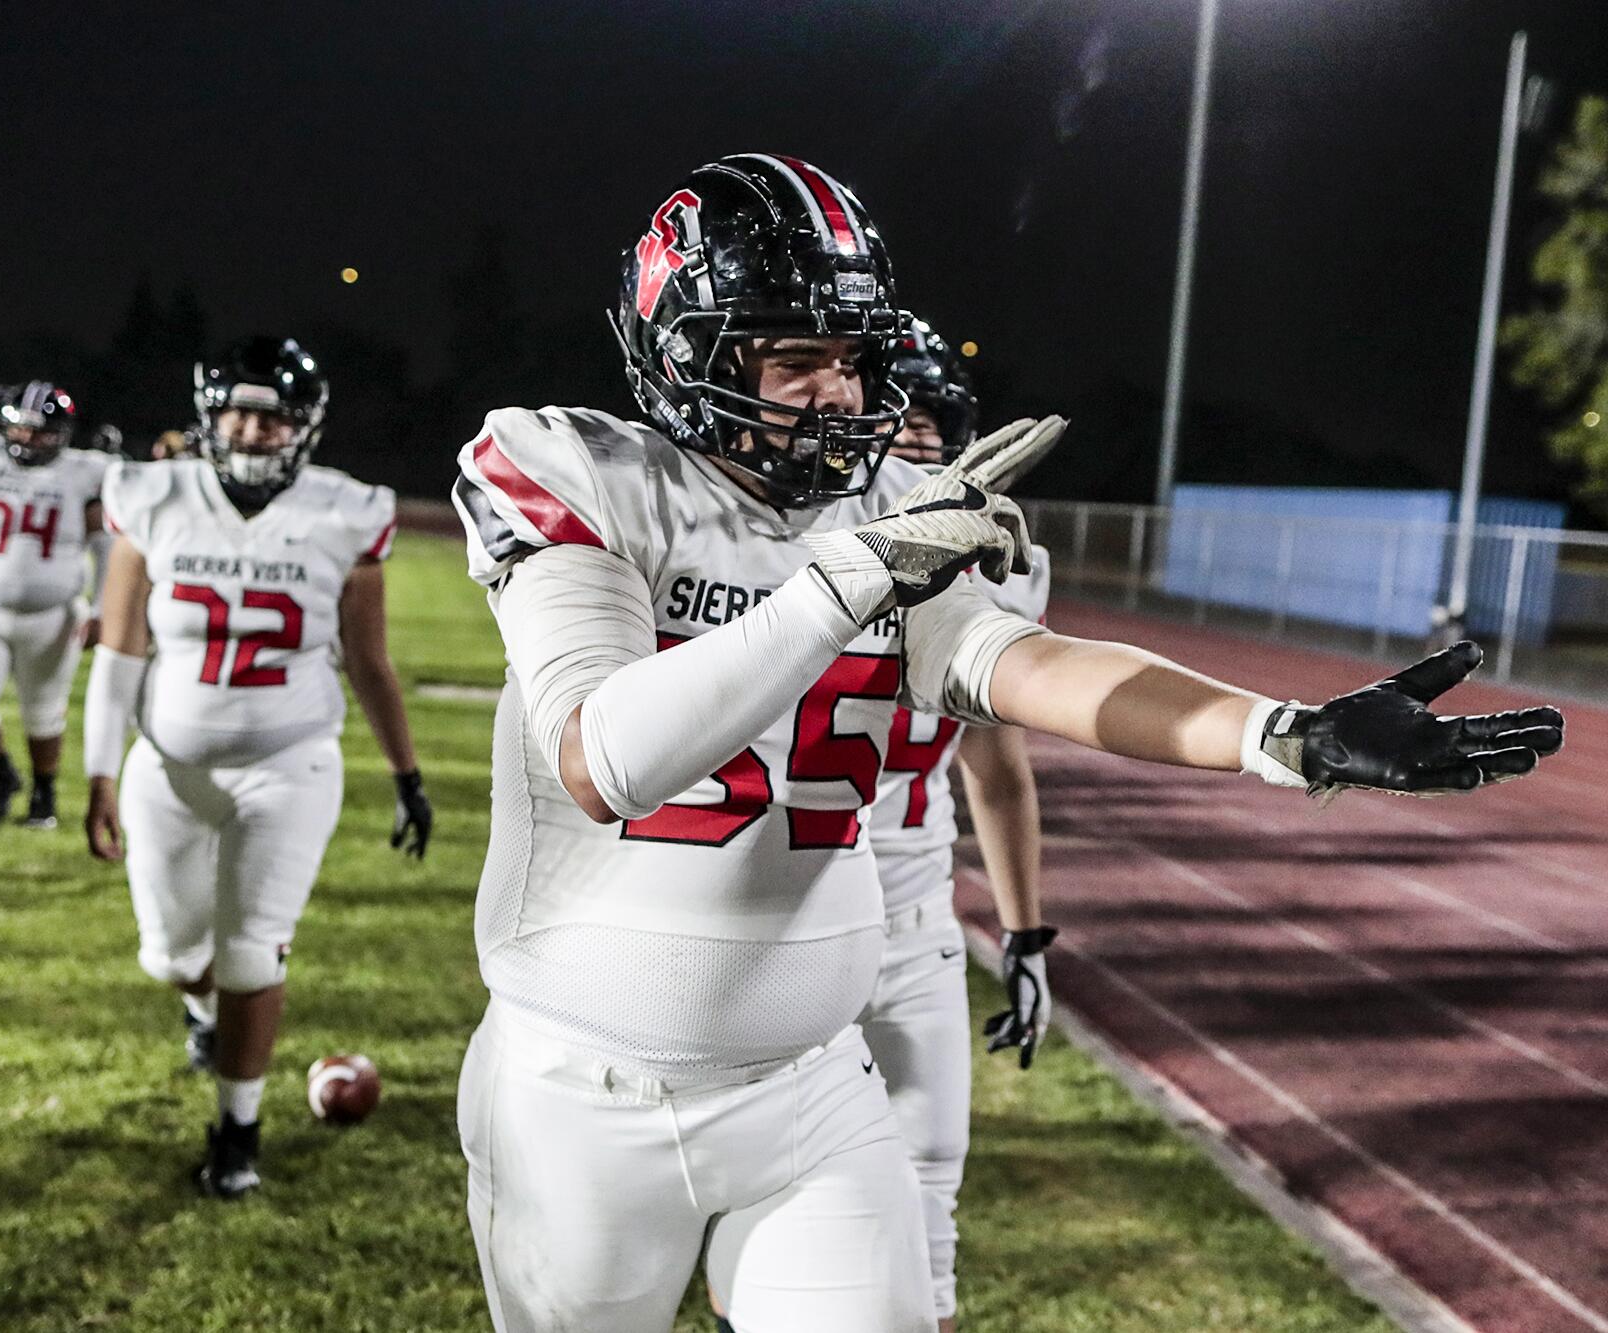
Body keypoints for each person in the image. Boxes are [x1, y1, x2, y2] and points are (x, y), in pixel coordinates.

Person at [449, 153, 1564, 1333]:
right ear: (687, 357)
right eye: (793, 356)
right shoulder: (582, 472)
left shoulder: (885, 509)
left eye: (850, 355)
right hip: (580, 1098)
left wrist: (1279, 733)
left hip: (809, 1087)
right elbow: (600, 756)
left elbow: (1028, 666)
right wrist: (851, 576)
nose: (837, 390)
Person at [84, 336, 434, 1199]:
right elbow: (120, 648)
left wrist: (406, 772)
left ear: (304, 426)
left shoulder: (345, 510)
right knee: (171, 957)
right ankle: (203, 1015)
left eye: (272, 414)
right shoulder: (153, 495)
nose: (252, 427)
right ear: (209, 415)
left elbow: (368, 659)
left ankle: (237, 1122)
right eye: (239, 409)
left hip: (290, 762)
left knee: (248, 953)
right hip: (168, 765)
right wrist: (98, 770)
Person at [859, 318, 1052, 1332]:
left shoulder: (1007, 565)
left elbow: (996, 764)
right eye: (902, 418)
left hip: (914, 916)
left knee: (925, 1236)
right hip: (778, 916)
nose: (920, 442)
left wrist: (1022, 932)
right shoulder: (786, 540)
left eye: (938, 423)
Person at [0, 380, 109, 826]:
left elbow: (104, 545)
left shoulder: (84, 473)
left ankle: (44, 796)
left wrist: (100, 609)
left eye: (41, 433)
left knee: (43, 711)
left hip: (52, 615)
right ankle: (2, 774)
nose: (29, 440)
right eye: (22, 429)